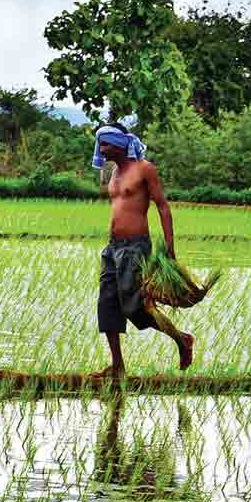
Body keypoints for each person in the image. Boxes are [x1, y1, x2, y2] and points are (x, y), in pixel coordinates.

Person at [92, 123, 193, 379]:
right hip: (112, 248)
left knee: (136, 308)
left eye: (106, 144)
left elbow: (163, 207)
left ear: (121, 142)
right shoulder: (114, 172)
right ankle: (117, 367)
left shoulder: (144, 169)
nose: (101, 150)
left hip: (136, 248)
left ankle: (182, 339)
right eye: (100, 144)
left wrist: (170, 249)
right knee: (107, 307)